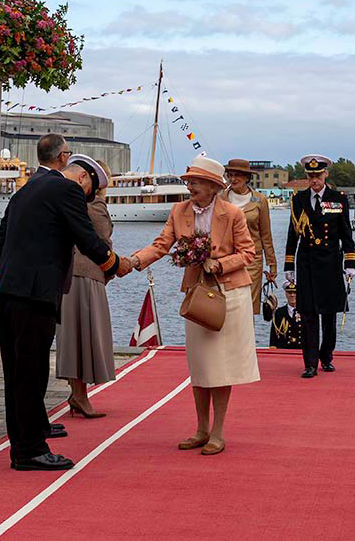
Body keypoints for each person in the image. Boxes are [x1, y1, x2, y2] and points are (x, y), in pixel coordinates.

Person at [0, 135, 128, 472]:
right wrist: (114, 264)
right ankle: (30, 450)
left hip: (9, 292)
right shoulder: (67, 190)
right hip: (35, 294)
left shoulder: (25, 191)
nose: (86, 196)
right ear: (83, 177)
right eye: (90, 189)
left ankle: (25, 438)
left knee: (17, 373)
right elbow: (85, 236)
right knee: (31, 374)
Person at [125, 155, 259, 456]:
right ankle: (200, 429)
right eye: (188, 181)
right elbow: (162, 244)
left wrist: (219, 264)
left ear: (213, 186)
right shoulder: (178, 211)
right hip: (196, 295)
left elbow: (248, 254)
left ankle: (218, 432)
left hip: (229, 295)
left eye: (196, 182)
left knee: (221, 366)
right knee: (200, 365)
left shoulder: (232, 214)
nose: (190, 186)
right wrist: (134, 261)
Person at [283, 154, 355, 378]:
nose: (314, 179)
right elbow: (292, 234)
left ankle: (327, 357)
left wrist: (350, 260)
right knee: (307, 315)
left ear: (326, 174)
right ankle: (310, 363)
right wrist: (289, 264)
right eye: (310, 176)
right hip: (306, 262)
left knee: (329, 315)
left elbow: (346, 232)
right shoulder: (299, 200)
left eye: (318, 175)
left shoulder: (337, 199)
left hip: (330, 263)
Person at [56, 156, 116, 418]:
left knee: (71, 335)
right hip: (87, 274)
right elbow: (102, 241)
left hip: (67, 273)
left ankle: (76, 393)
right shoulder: (96, 206)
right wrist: (115, 266)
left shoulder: (69, 202)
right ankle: (80, 396)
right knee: (85, 335)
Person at [219, 159, 278, 315]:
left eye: (237, 175)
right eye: (230, 175)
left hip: (252, 260)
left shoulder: (260, 201)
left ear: (247, 177)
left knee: (248, 306)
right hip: (226, 258)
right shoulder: (220, 199)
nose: (233, 179)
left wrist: (272, 264)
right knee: (227, 305)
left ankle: (247, 338)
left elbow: (266, 235)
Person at [268, 282, 304, 350]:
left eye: (295, 293)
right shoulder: (279, 312)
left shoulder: (305, 312)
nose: (292, 295)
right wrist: (273, 347)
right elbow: (273, 334)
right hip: (283, 350)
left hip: (301, 351)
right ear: (286, 294)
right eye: (289, 293)